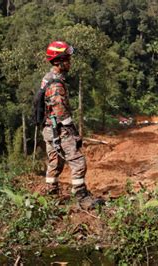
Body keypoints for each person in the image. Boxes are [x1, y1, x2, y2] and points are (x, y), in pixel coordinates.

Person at [41, 41, 102, 209]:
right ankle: (82, 197)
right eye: (67, 59)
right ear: (58, 61)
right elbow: (60, 111)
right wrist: (73, 132)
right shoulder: (56, 84)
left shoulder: (47, 78)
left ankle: (51, 193)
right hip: (58, 129)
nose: (70, 62)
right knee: (78, 162)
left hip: (48, 128)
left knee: (55, 162)